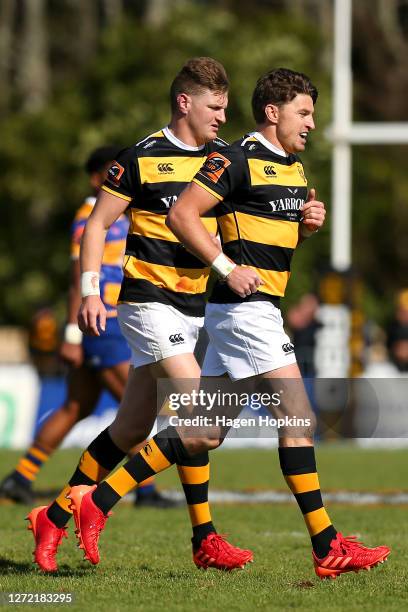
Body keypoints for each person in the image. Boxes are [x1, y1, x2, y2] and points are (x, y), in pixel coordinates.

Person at [69, 68, 390, 580]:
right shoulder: (235, 158)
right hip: (241, 311)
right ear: (273, 112)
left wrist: (304, 228)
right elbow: (184, 216)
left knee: (203, 431)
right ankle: (327, 545)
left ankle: (96, 502)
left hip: (250, 309)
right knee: (298, 418)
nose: (311, 123)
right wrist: (225, 268)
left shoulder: (297, 170)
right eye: (303, 113)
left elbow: (266, 243)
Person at [26, 57, 253, 574]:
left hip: (197, 307)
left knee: (131, 427)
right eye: (214, 106)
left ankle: (55, 516)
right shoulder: (140, 157)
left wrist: (301, 219)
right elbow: (96, 226)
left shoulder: (222, 158)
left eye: (225, 107)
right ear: (184, 102)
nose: (222, 116)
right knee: (200, 414)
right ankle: (201, 535)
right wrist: (89, 294)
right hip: (148, 302)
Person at [0, 146, 172, 508]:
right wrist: (72, 335)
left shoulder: (120, 215)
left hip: (104, 325)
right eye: (113, 173)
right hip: (102, 325)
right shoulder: (89, 218)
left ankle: (21, 476)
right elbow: (79, 277)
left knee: (77, 406)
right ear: (97, 178)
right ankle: (145, 490)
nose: (121, 179)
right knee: (136, 406)